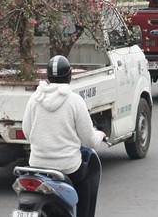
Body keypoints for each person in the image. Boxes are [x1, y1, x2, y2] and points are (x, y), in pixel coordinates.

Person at [22, 55, 106, 217]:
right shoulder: (75, 101)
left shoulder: (35, 98)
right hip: (67, 167)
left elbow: (27, 131)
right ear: (69, 76)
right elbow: (89, 140)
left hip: (37, 165)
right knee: (84, 180)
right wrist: (100, 134)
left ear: (47, 76)